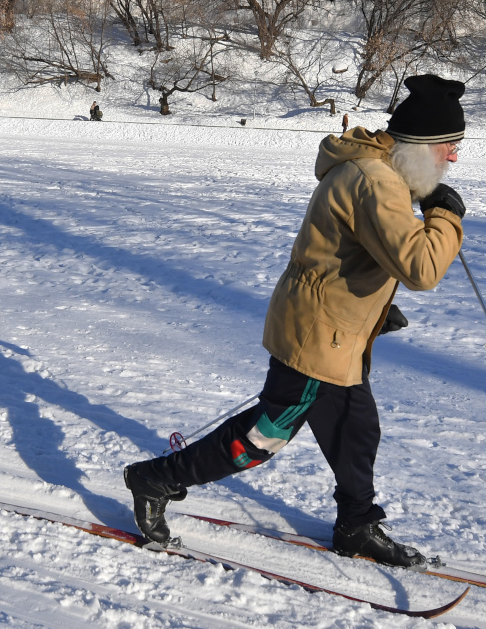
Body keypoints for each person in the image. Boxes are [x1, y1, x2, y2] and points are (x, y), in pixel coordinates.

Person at [125, 75, 467, 567]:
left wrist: (373, 312)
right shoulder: (376, 181)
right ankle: (158, 478)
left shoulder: (374, 171)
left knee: (356, 429)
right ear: (421, 146)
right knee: (267, 433)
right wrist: (447, 218)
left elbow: (347, 255)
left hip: (336, 331)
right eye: (449, 147)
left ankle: (357, 525)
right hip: (318, 335)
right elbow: (421, 267)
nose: (453, 158)